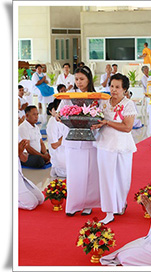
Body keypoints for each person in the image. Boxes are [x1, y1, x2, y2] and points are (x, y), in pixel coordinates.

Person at [93, 74, 137, 224]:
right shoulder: (104, 102)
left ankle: (120, 203)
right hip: (104, 143)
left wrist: (107, 122)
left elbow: (127, 127)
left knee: (122, 178)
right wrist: (97, 123)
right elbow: (98, 118)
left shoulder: (128, 104)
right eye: (112, 86)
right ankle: (109, 211)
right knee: (106, 178)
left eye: (117, 87)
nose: (113, 90)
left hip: (122, 145)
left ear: (124, 89)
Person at [59, 65, 101, 217]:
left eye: (82, 79)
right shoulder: (69, 96)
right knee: (73, 173)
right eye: (76, 79)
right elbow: (61, 113)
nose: (79, 82)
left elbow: (100, 115)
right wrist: (59, 116)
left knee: (90, 173)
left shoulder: (96, 96)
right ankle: (73, 205)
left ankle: (88, 204)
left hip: (90, 140)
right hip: (73, 141)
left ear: (89, 80)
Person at [17, 139, 44, 210]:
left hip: (19, 175)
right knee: (31, 204)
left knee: (40, 199)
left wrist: (19, 152)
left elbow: (24, 159)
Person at [46, 100, 69, 178]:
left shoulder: (67, 119)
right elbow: (54, 145)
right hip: (61, 164)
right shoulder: (53, 122)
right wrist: (68, 133)